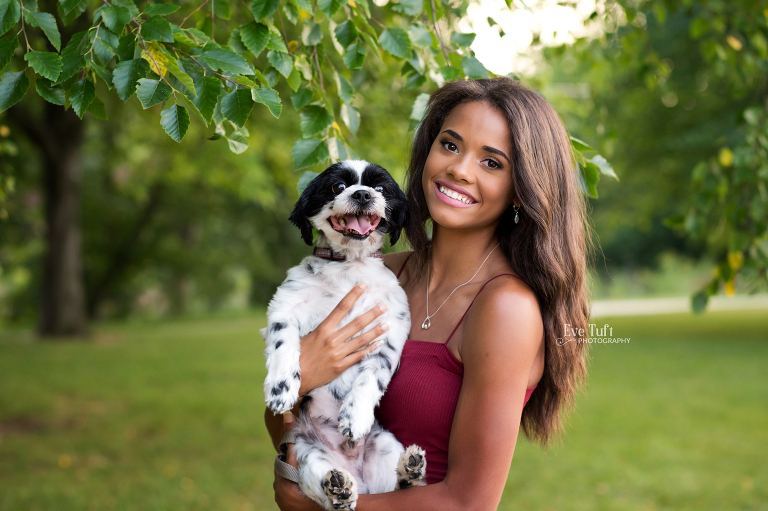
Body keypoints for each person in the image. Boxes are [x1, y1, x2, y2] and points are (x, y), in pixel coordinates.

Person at [265, 77, 592, 510]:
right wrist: (302, 372)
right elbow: (289, 415)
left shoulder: (504, 308)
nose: (459, 169)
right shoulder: (377, 274)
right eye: (451, 145)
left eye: (492, 163)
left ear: (521, 189)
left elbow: (468, 504)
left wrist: (321, 506)